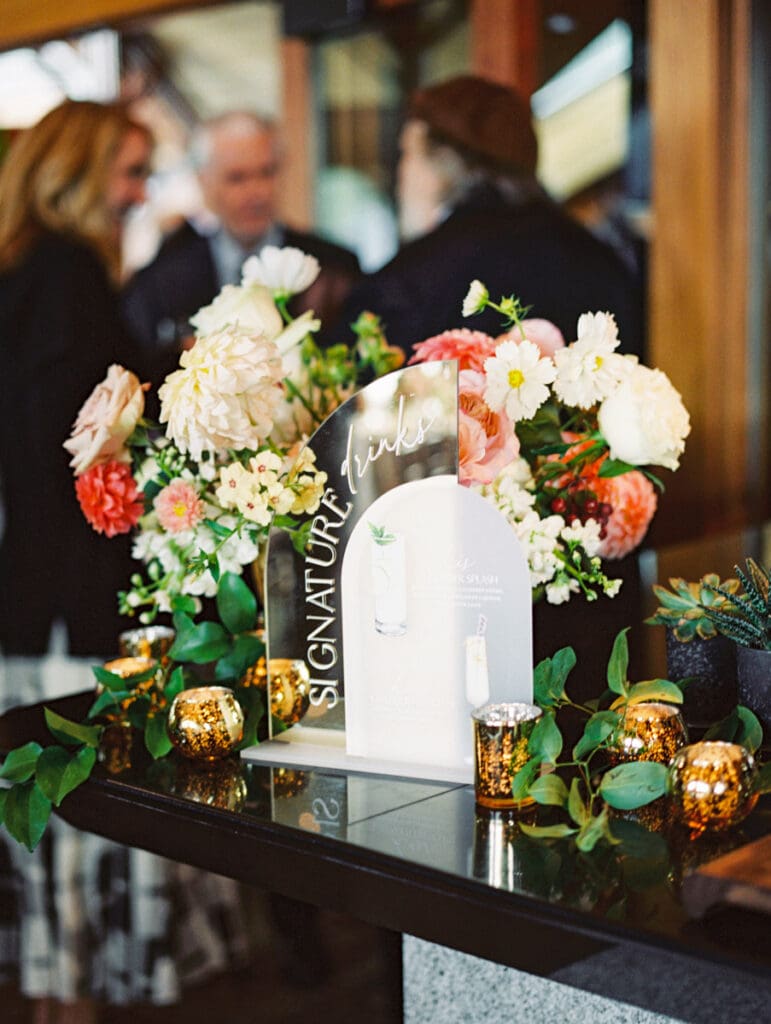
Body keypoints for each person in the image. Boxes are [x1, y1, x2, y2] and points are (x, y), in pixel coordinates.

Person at [0, 100, 248, 1024]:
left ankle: (57, 994)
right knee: (81, 809)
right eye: (129, 171)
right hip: (73, 584)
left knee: (47, 818)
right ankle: (70, 1001)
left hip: (29, 579)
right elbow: (63, 437)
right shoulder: (65, 272)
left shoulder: (26, 268)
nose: (141, 192)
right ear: (74, 169)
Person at [339, 75, 644, 360]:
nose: (399, 177)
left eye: (406, 154)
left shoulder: (410, 282)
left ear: (442, 165)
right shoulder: (604, 263)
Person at [122, 110, 362, 359]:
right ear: (204, 183)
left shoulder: (335, 269)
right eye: (237, 178)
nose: (256, 192)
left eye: (266, 172)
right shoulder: (162, 279)